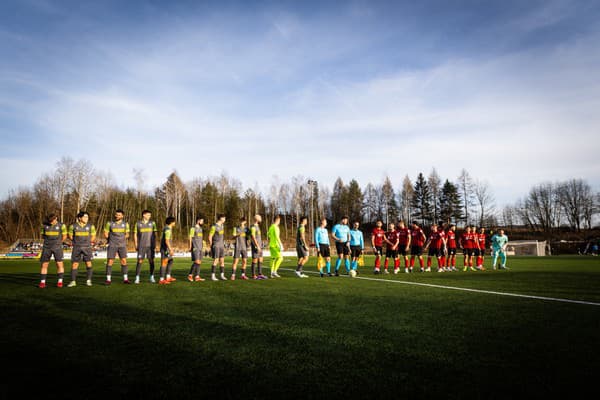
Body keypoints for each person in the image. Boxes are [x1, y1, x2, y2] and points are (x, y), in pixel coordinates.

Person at [67, 211, 96, 287]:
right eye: (85, 217)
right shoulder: (73, 226)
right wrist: (76, 241)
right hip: (77, 247)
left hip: (87, 247)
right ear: (80, 218)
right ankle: (73, 281)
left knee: (88, 263)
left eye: (87, 217)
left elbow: (93, 236)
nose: (87, 218)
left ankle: (88, 280)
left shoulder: (91, 226)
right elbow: (70, 236)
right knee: (75, 264)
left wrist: (88, 242)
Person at [38, 213, 67, 288]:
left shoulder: (62, 225)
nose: (51, 222)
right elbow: (43, 235)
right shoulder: (44, 225)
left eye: (52, 221)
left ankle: (60, 282)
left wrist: (58, 243)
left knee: (59, 264)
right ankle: (42, 282)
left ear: (56, 218)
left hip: (57, 247)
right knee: (44, 265)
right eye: (49, 221)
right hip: (46, 247)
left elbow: (64, 236)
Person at [104, 209, 130, 285]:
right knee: (110, 261)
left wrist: (123, 238)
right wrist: (110, 240)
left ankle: (125, 279)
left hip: (122, 245)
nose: (117, 216)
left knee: (124, 261)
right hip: (112, 245)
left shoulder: (126, 224)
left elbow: (127, 234)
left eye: (119, 215)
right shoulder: (109, 223)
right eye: (116, 215)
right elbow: (106, 233)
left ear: (122, 216)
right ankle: (108, 280)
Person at [133, 210, 158, 284]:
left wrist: (156, 245)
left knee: (151, 261)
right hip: (141, 246)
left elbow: (155, 234)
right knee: (140, 261)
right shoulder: (138, 223)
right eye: (148, 215)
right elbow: (135, 234)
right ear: (144, 215)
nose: (149, 216)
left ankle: (152, 277)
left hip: (150, 246)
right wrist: (136, 244)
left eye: (150, 215)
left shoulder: (152, 223)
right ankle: (137, 278)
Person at [209, 214, 227, 281]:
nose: (225, 220)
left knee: (222, 260)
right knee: (216, 260)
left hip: (221, 245)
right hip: (216, 245)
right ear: (221, 218)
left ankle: (222, 275)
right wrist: (211, 245)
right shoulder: (214, 226)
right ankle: (213, 276)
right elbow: (210, 236)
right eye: (224, 218)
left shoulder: (222, 226)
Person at [159, 217, 176, 285]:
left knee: (171, 261)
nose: (175, 223)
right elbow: (166, 241)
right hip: (165, 249)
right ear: (171, 222)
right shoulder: (168, 229)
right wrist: (170, 249)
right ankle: (161, 279)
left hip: (166, 248)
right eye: (174, 222)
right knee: (164, 263)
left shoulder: (166, 228)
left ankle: (168, 277)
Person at [187, 216, 206, 282]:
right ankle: (190, 275)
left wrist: (203, 245)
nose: (202, 222)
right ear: (198, 221)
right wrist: (190, 246)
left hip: (200, 247)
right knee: (196, 261)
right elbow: (190, 237)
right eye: (202, 221)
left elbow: (201, 238)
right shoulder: (193, 228)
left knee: (199, 262)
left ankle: (197, 276)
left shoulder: (201, 229)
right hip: (195, 247)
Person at [250, 214, 268, 280]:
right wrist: (257, 245)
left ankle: (260, 274)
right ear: (257, 219)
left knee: (260, 259)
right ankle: (253, 275)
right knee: (255, 259)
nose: (261, 218)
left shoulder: (257, 226)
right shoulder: (253, 227)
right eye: (260, 217)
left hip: (260, 245)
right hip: (256, 246)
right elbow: (253, 237)